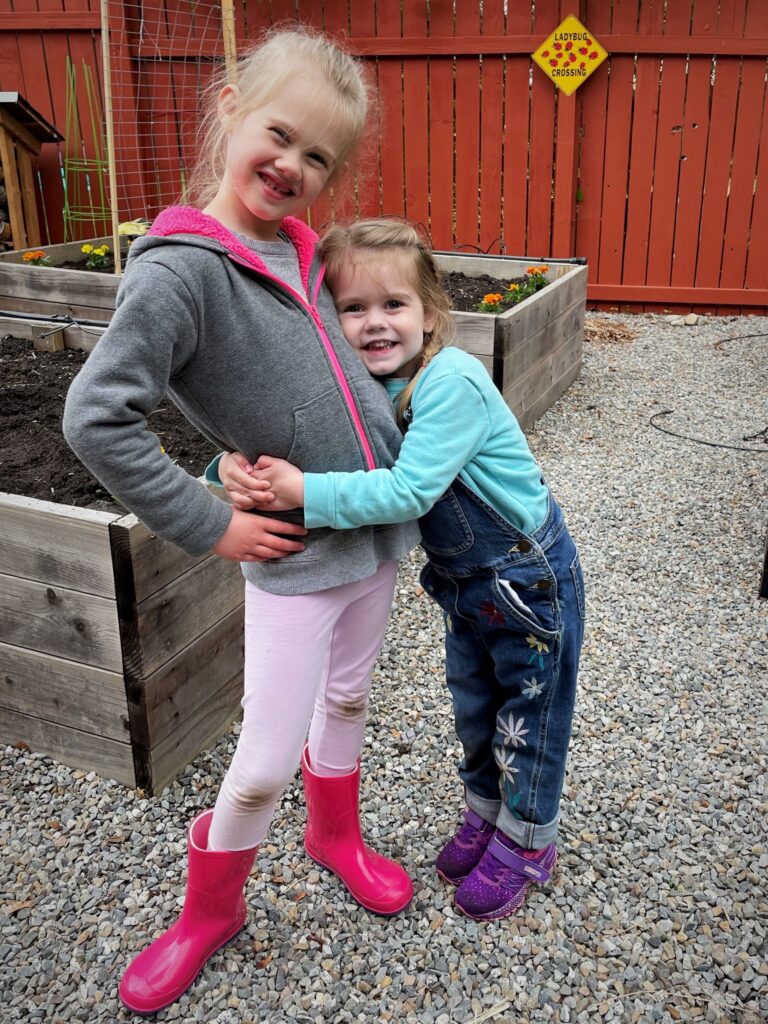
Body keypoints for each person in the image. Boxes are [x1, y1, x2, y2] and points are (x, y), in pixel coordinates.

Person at [62, 33, 420, 1016]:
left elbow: (337, 378)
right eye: (279, 133)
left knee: (346, 703)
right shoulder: (181, 271)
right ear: (227, 107)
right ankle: (208, 911)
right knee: (262, 761)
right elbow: (96, 417)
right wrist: (211, 518)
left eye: (319, 159)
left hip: (371, 543)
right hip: (296, 562)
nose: (293, 167)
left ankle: (334, 836)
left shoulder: (300, 249)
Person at [216, 218, 585, 923]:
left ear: (431, 313)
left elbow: (406, 492)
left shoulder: (452, 383)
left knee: (529, 714)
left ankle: (531, 838)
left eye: (394, 305)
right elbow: (316, 441)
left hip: (527, 579)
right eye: (353, 309)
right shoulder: (369, 385)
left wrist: (303, 494)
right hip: (467, 588)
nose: (375, 323)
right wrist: (231, 467)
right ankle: (487, 814)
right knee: (478, 711)